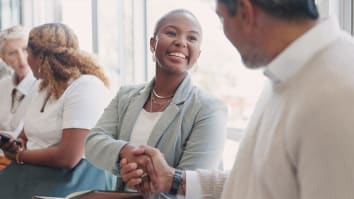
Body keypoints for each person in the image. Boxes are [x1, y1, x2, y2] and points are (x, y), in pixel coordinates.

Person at [120, 0, 354, 199]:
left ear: (245, 12)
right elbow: (262, 181)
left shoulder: (336, 95)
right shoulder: (287, 73)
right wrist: (173, 179)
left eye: (222, 19)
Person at [85, 9, 227, 199]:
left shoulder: (209, 109)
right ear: (153, 44)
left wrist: (144, 175)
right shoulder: (126, 95)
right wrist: (124, 154)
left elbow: (193, 187)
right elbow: (92, 142)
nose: (181, 42)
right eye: (171, 33)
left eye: (192, 38)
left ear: (198, 55)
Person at [0, 23, 114, 199]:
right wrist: (16, 145)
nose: (25, 60)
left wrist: (20, 156)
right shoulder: (42, 86)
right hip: (32, 173)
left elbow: (68, 157)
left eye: (27, 53)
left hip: (70, 179)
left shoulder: (85, 87)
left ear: (41, 58)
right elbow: (25, 136)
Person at [0, 25, 37, 170]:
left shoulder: (42, 86)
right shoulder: (2, 85)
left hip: (21, 160)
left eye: (25, 50)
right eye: (12, 53)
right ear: (3, 58)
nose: (22, 58)